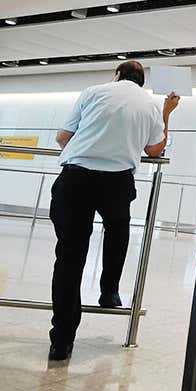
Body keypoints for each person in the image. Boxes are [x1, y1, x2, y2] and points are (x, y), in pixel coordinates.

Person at [48, 60, 178, 361]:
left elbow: (62, 138)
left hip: (76, 178)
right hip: (117, 183)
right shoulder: (149, 106)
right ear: (142, 82)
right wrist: (166, 114)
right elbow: (154, 150)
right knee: (118, 229)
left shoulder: (93, 92)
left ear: (117, 76)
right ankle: (109, 290)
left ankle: (62, 341)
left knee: (70, 256)